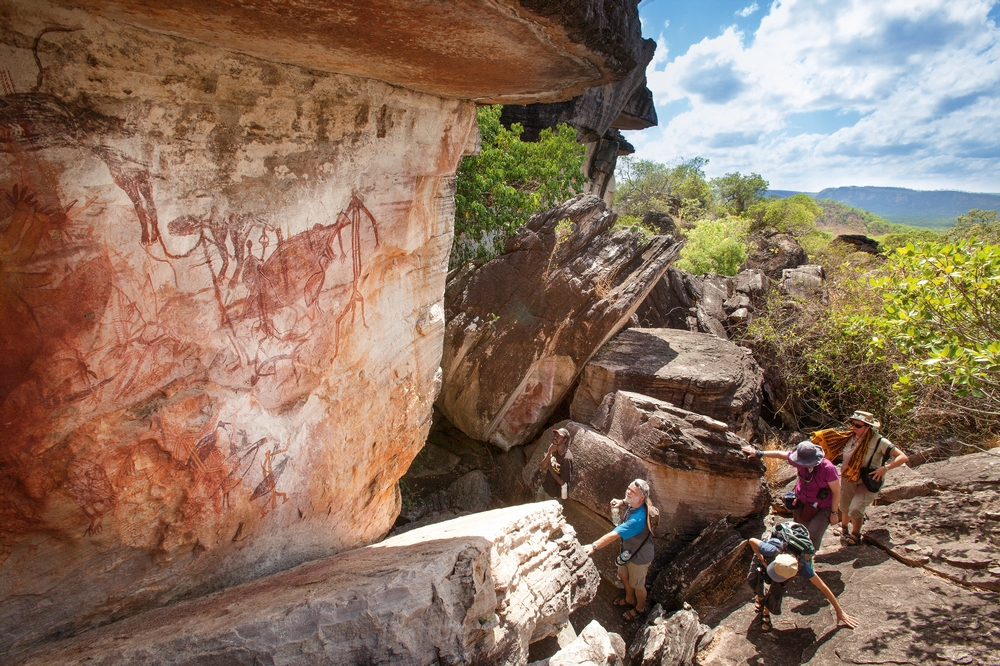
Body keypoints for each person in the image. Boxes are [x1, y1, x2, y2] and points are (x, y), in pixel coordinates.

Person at [748, 522, 859, 632]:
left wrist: (840, 611)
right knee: (753, 579)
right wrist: (762, 559)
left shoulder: (802, 566)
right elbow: (752, 541)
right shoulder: (771, 550)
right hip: (767, 554)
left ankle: (765, 612)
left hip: (781, 560)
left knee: (776, 592)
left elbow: (823, 587)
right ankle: (760, 597)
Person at [583, 479, 654, 621]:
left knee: (638, 585)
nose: (628, 491)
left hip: (639, 558)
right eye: (628, 488)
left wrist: (593, 546)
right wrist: (621, 503)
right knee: (623, 575)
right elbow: (620, 517)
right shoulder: (634, 503)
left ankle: (639, 608)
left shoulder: (638, 519)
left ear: (642, 497)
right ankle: (628, 599)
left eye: (632, 491)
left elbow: (615, 534)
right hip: (628, 552)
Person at [837, 410, 909, 546]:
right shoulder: (849, 436)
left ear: (868, 427)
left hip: (868, 479)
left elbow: (903, 457)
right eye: (853, 424)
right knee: (844, 504)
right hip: (849, 476)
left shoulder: (879, 441)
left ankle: (856, 534)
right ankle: (844, 527)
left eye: (858, 426)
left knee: (855, 507)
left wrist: (885, 468)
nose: (854, 427)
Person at [754, 441, 841, 550]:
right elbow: (781, 455)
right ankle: (799, 560)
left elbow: (836, 491)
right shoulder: (798, 460)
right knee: (799, 533)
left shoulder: (828, 468)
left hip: (823, 507)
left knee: (813, 534)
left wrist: (834, 512)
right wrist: (759, 453)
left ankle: (807, 559)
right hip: (802, 503)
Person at [539, 428, 573, 500]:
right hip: (544, 487)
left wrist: (550, 469)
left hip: (553, 495)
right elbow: (542, 467)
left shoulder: (566, 458)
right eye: (555, 435)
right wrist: (550, 452)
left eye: (558, 437)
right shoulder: (553, 448)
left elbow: (562, 482)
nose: (555, 438)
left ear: (565, 440)